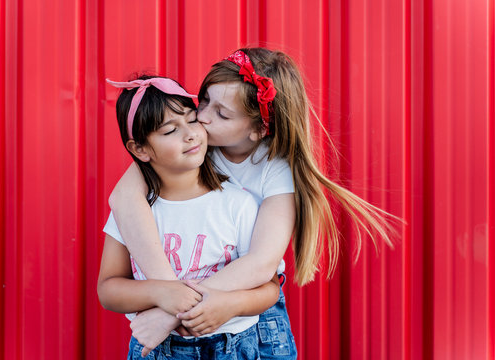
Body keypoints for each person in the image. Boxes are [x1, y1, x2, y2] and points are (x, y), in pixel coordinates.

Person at [109, 48, 396, 358]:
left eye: (221, 113)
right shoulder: (191, 150)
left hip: (252, 313)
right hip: (185, 315)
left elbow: (261, 265)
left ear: (258, 129)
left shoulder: (275, 170)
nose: (202, 118)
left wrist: (173, 311)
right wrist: (170, 296)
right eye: (203, 101)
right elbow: (123, 198)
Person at [97, 75, 280, 359]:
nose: (190, 134)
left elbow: (269, 288)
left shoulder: (238, 203)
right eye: (170, 130)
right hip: (159, 349)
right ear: (139, 149)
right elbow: (109, 289)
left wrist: (230, 304)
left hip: (232, 344)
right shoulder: (136, 212)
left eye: (193, 119)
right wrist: (161, 293)